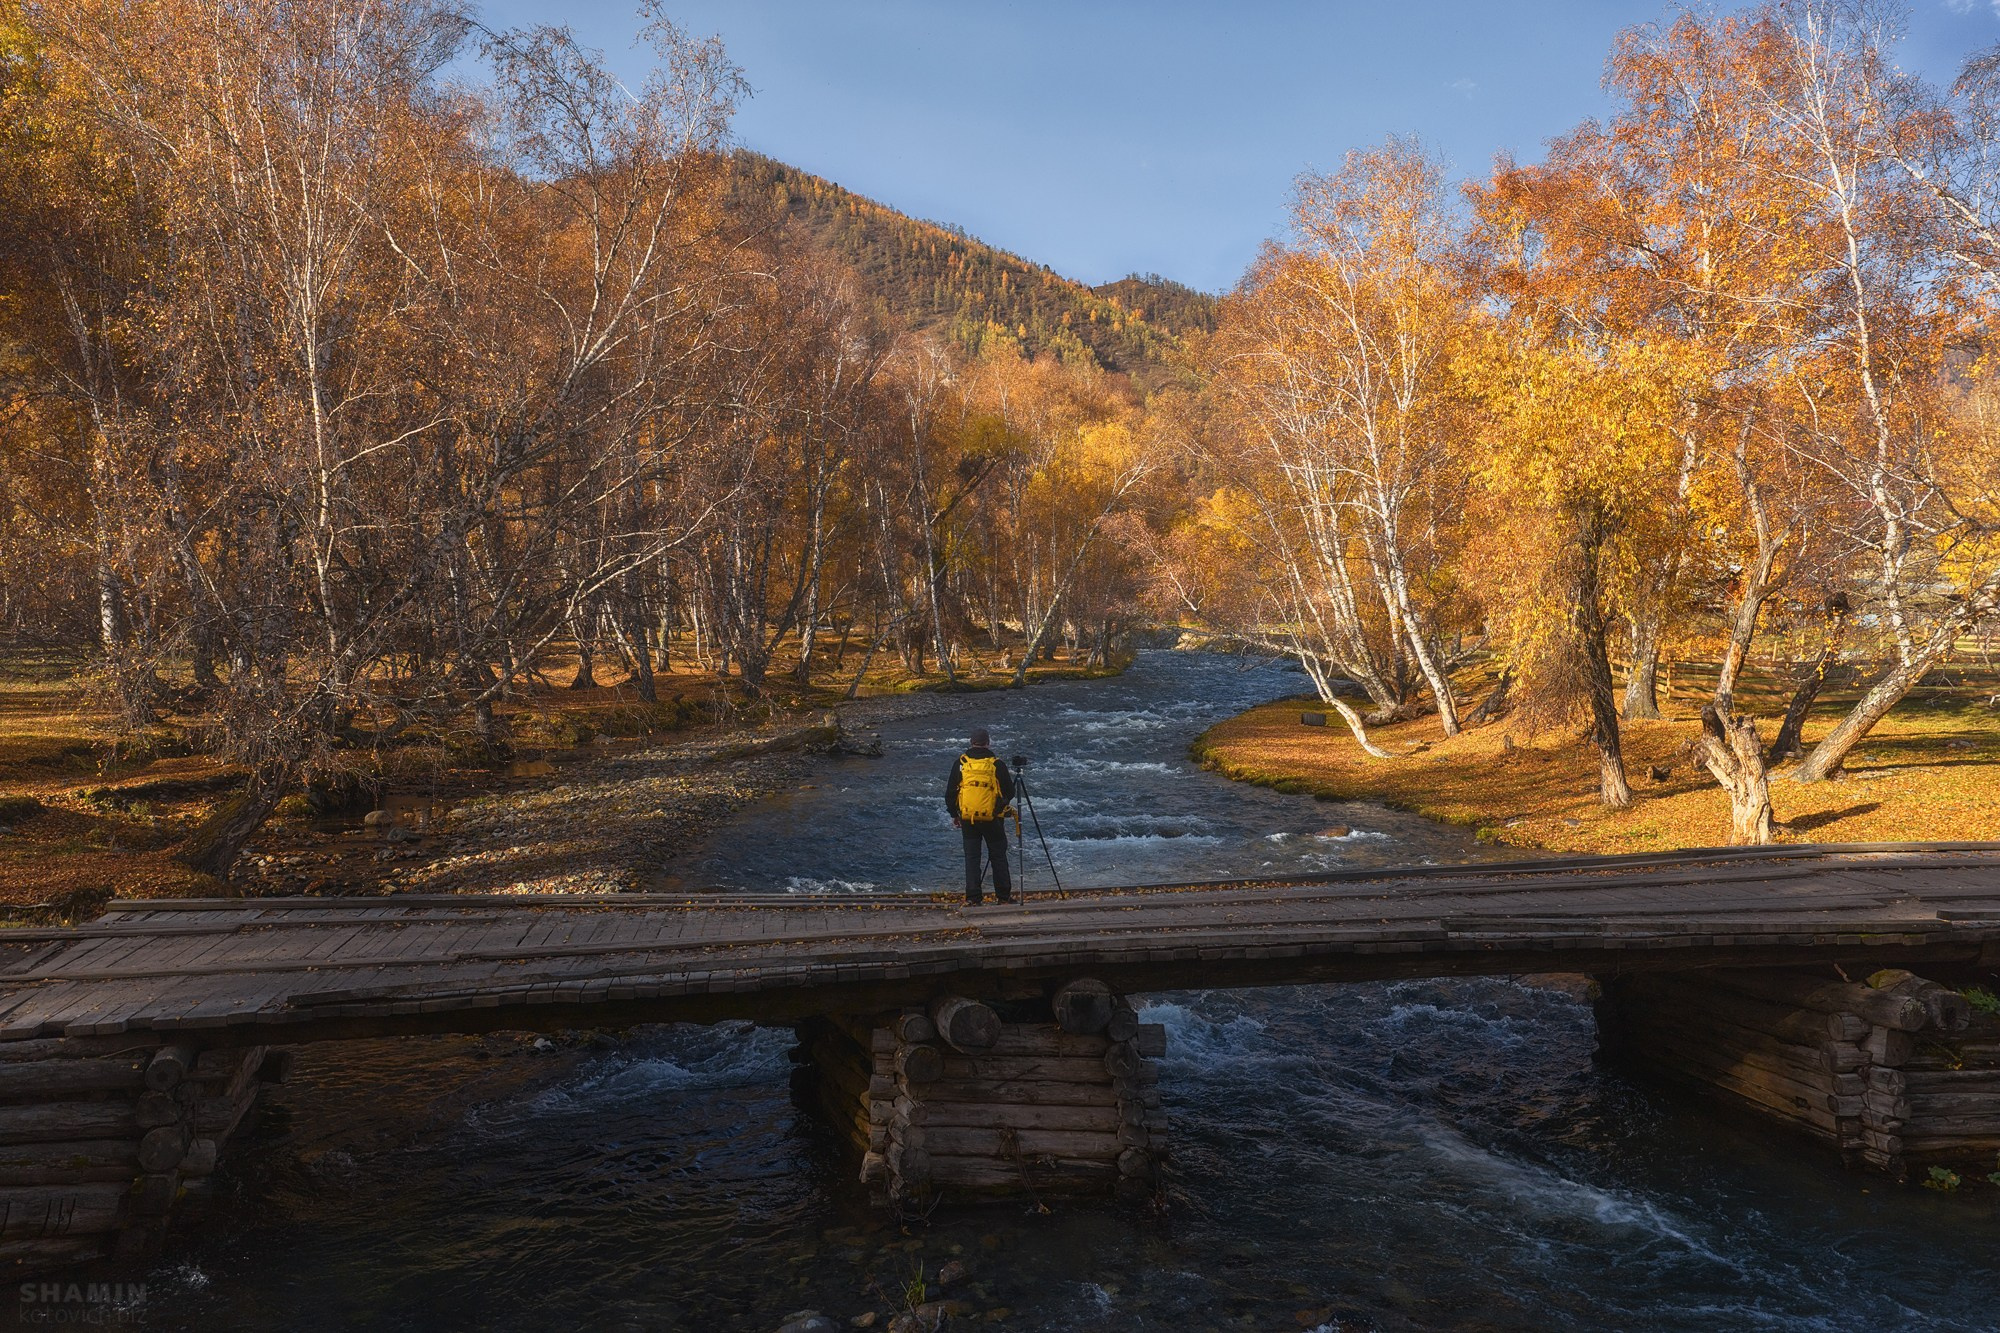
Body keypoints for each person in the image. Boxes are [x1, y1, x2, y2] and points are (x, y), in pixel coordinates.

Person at [945, 727, 1016, 905]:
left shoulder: (961, 762)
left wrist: (955, 814)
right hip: (992, 818)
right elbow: (1010, 791)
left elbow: (950, 793)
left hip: (968, 817)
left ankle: (973, 899)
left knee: (972, 858)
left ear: (971, 742)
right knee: (998, 855)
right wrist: (999, 806)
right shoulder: (996, 764)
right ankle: (1004, 897)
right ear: (988, 743)